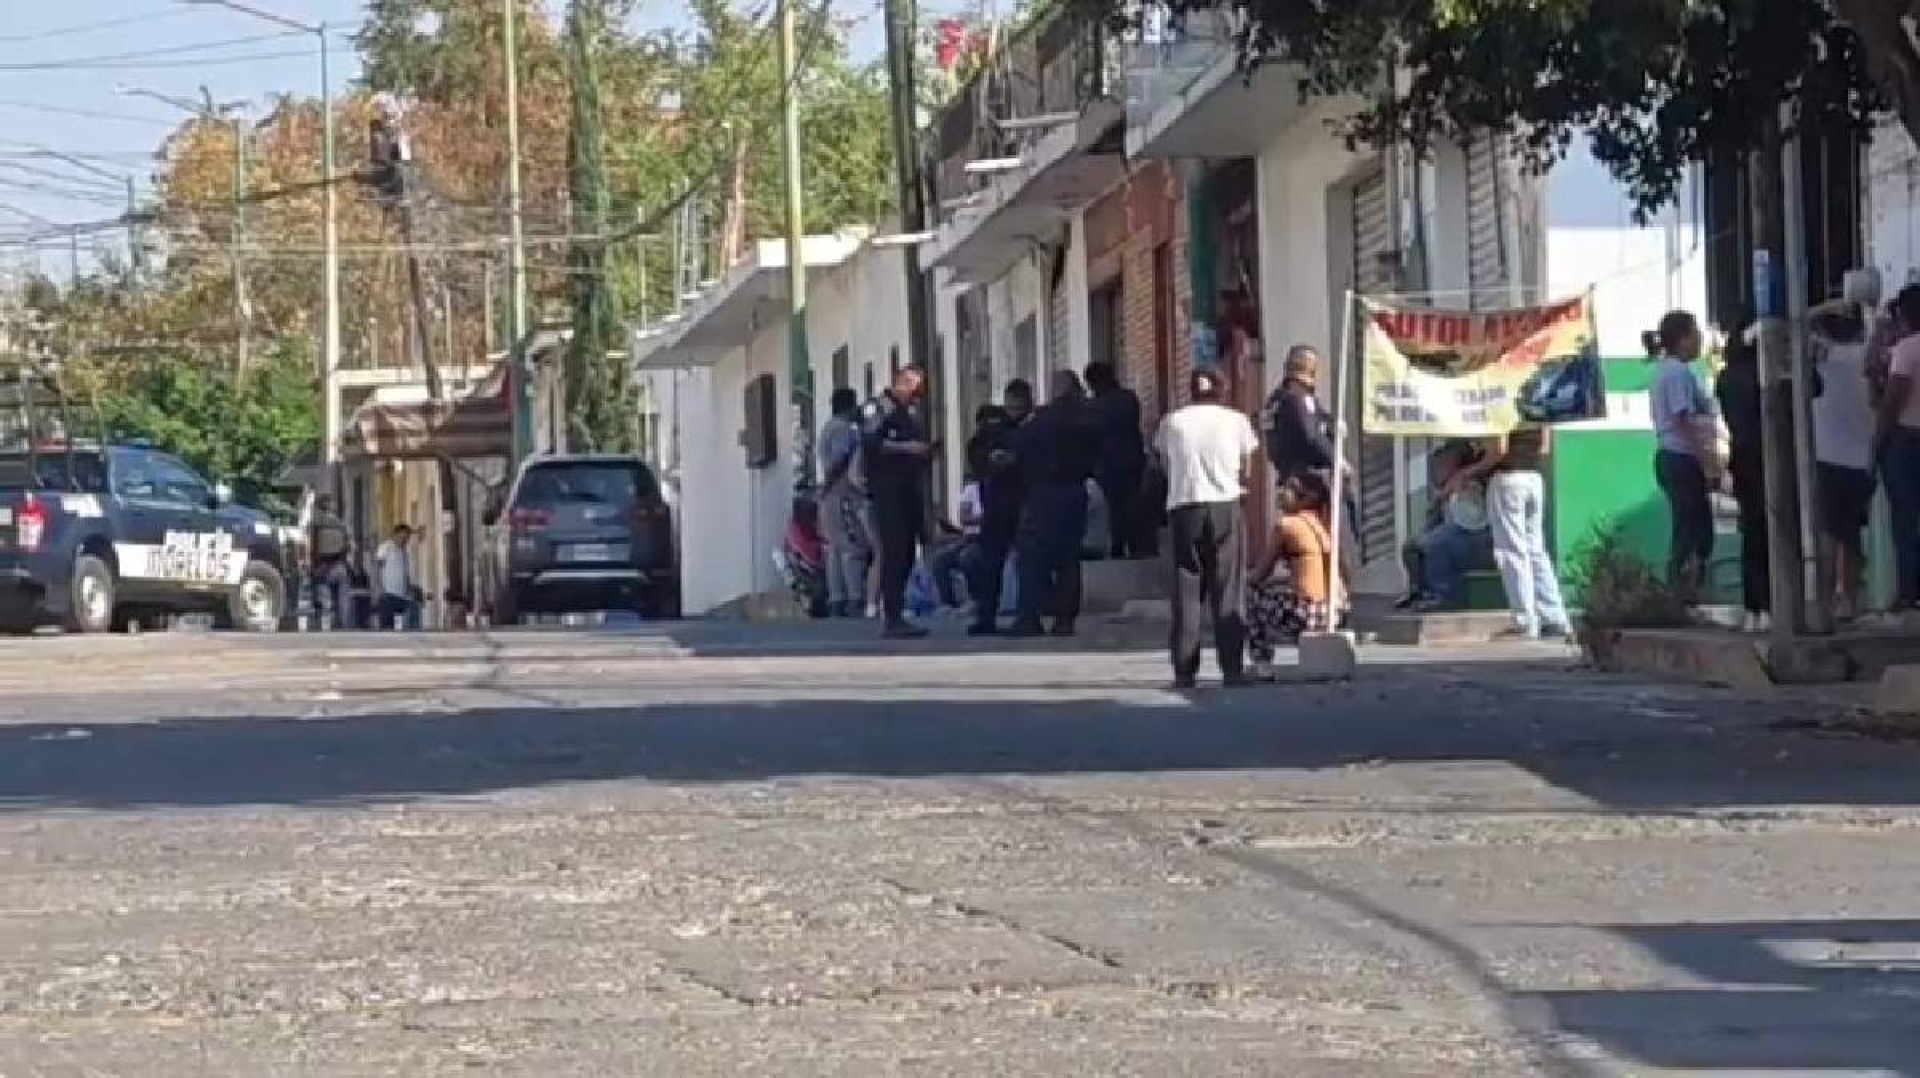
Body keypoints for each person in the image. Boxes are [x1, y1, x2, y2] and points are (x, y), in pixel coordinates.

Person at [1157, 368, 1261, 688]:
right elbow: (1247, 467)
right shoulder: (1236, 421)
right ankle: (1232, 667)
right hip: (1225, 506)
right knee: (1228, 588)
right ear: (1222, 389)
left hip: (1184, 508)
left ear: (1191, 390)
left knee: (1186, 589)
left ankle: (1185, 669)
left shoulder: (1173, 422)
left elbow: (1164, 463)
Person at [1451, 422, 1569, 640]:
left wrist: (1467, 472)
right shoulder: (1537, 410)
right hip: (1534, 478)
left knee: (1511, 552)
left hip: (1507, 479)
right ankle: (1554, 618)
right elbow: (1544, 448)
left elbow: (1499, 450)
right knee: (1536, 551)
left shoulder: (1501, 408)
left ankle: (1525, 622)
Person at [1009, 370, 1099, 637]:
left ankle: (1030, 617)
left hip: (1041, 494)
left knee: (1032, 556)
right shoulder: (1087, 420)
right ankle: (1064, 620)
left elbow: (1019, 452)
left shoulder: (1039, 421)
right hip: (1073, 492)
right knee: (1068, 558)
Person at [1646, 310, 1720, 604]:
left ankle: (1687, 590)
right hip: (1682, 456)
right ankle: (1680, 591)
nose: (1700, 339)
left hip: (1675, 456)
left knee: (1693, 526)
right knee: (1691, 528)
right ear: (1683, 339)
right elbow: (1683, 418)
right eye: (1695, 333)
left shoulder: (1667, 371)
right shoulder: (1676, 372)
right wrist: (1707, 457)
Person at [1811, 300, 1876, 622]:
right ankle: (1848, 600)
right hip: (1863, 458)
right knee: (1850, 534)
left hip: (1825, 455)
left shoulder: (1821, 357)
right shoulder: (1867, 356)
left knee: (1827, 532)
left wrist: (1825, 306)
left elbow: (1791, 326)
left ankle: (1822, 602)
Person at [859, 364, 935, 638]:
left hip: (909, 488)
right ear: (902, 382)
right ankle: (891, 615)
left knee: (907, 552)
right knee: (894, 551)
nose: (917, 394)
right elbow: (872, 443)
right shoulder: (879, 408)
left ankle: (898, 611)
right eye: (914, 387)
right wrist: (908, 448)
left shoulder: (909, 412)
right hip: (887, 490)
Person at [1247, 472, 1338, 679]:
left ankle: (1262, 663)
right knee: (1278, 595)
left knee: (1248, 595)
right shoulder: (1322, 526)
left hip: (1307, 613)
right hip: (1334, 610)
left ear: (1304, 497)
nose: (1280, 492)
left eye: (1287, 488)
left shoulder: (1286, 525)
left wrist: (1238, 580)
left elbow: (1259, 574)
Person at [1715, 323, 1769, 632]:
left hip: (1741, 456)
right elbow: (1814, 385)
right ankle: (1771, 601)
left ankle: (1753, 606)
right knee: (1774, 530)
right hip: (1768, 455)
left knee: (1751, 530)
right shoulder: (1763, 373)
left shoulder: (1725, 377)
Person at [1397, 441, 1493, 611]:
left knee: (1435, 546)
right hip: (1452, 531)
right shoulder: (1444, 489)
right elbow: (1434, 519)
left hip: (1474, 536)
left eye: (1444, 464)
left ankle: (1444, 596)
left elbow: (1471, 519)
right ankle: (1418, 591)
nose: (1438, 470)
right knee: (1411, 546)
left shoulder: (1470, 482)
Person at [967, 382, 1030, 635]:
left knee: (1027, 562)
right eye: (1011, 406)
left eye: (1019, 406)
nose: (1015, 411)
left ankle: (1027, 616)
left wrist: (1016, 460)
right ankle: (986, 616)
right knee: (990, 563)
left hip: (1024, 501)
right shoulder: (993, 429)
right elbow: (976, 456)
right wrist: (991, 460)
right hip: (998, 502)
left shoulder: (1034, 427)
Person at [1084, 362, 1146, 558]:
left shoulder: (1094, 406)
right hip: (1132, 459)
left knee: (1114, 506)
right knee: (1131, 502)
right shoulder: (1128, 398)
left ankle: (1118, 546)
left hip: (1107, 462)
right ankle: (1136, 545)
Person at [817, 387, 868, 618]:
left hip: (831, 494)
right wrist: (830, 485)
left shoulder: (828, 428)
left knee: (835, 547)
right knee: (851, 545)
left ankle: (837, 597)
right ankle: (855, 596)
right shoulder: (843, 429)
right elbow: (840, 460)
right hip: (842, 492)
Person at [1262, 344, 1337, 484]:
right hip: (1309, 476)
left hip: (1287, 476)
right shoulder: (1299, 397)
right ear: (1309, 368)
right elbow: (1312, 435)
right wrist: (1336, 460)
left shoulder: (1274, 401)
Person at [307, 493, 352, 628]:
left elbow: (314, 545)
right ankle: (341, 622)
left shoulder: (316, 522)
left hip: (323, 565)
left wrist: (314, 565)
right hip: (338, 564)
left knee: (322, 595)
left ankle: (323, 622)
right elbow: (347, 546)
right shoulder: (339, 523)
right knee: (341, 595)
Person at [373, 523, 417, 630]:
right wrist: (379, 587)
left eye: (407, 538)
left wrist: (409, 589)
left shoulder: (404, 552)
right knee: (387, 626)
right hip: (388, 593)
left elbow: (406, 573)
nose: (404, 541)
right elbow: (377, 568)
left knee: (398, 627)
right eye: (403, 537)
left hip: (401, 596)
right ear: (395, 534)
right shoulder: (385, 547)